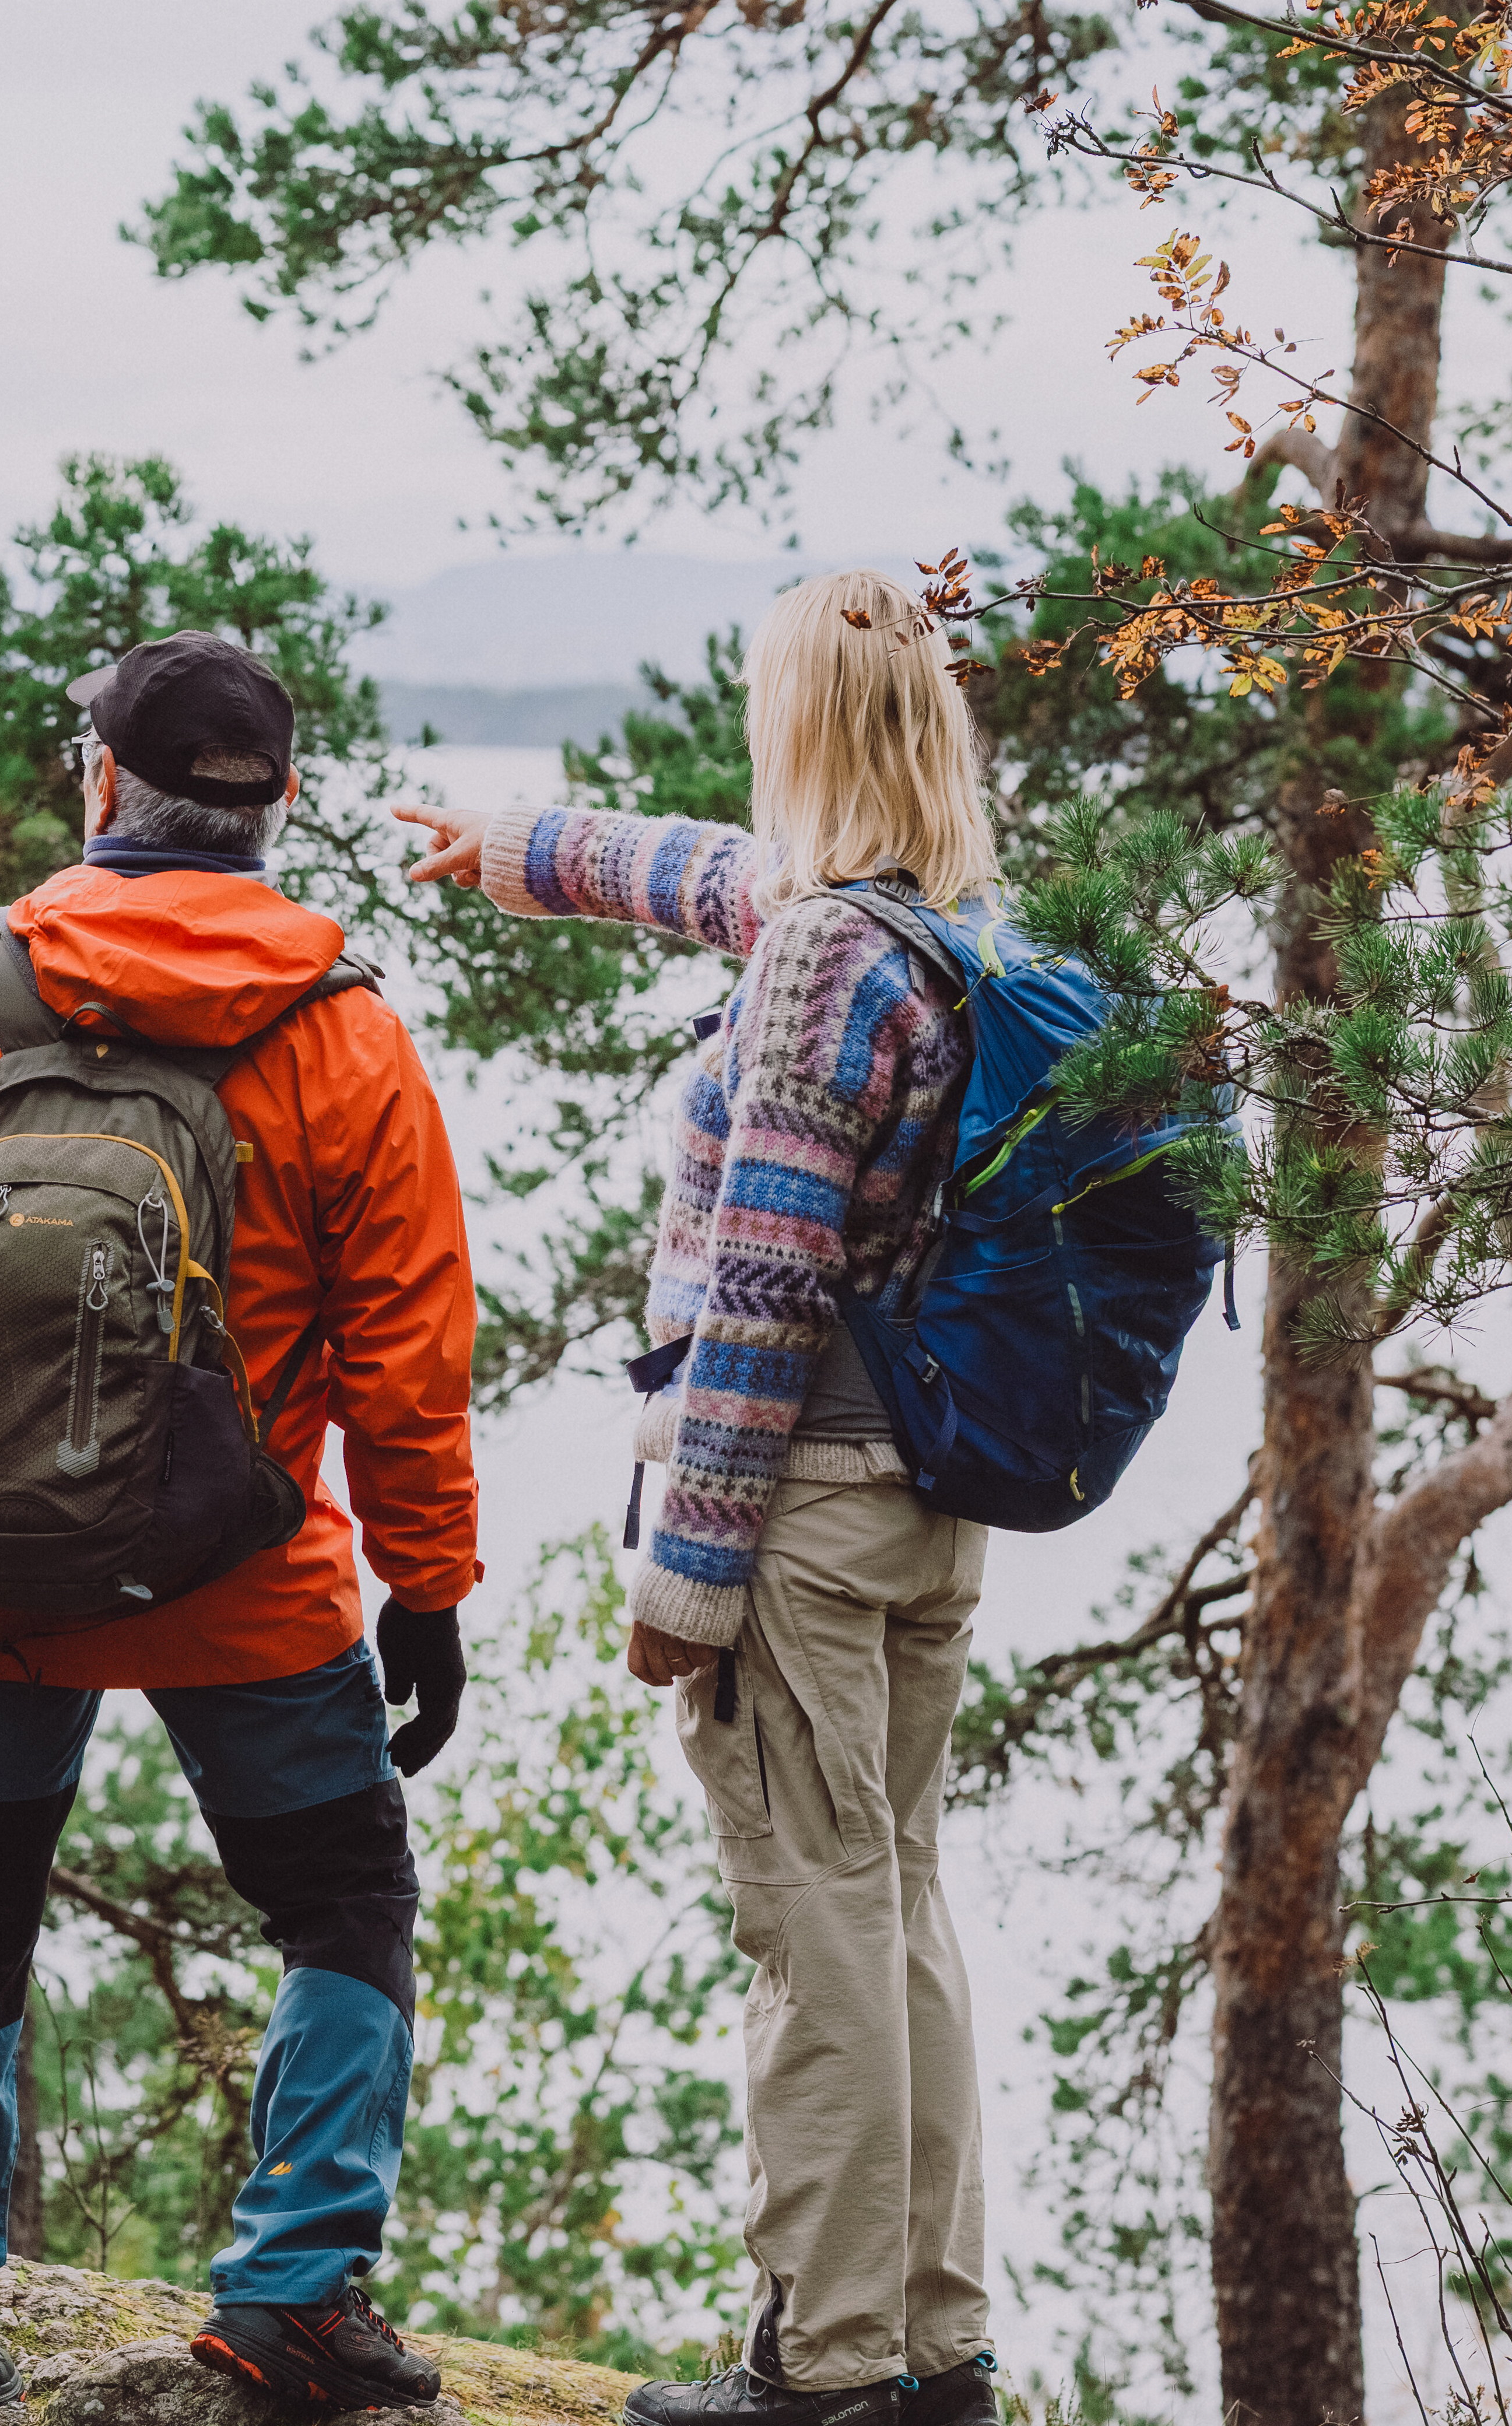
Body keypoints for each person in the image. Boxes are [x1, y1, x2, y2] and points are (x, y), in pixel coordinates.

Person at [0, 632, 481, 2423]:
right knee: (343, 1903)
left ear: (102, 783)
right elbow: (408, 1350)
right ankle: (295, 2296)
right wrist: (428, 1585)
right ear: (284, 805)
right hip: (244, 1578)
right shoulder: (342, 1030)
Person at [395, 569, 1004, 2426]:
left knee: (809, 1929)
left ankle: (821, 2371)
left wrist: (690, 1577)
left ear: (803, 728)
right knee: (892, 1904)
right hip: (925, 1504)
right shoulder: (949, 924)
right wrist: (519, 850)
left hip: (799, 1513)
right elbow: (715, 879)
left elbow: (762, 1285)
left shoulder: (827, 959)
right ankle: (936, 2347)